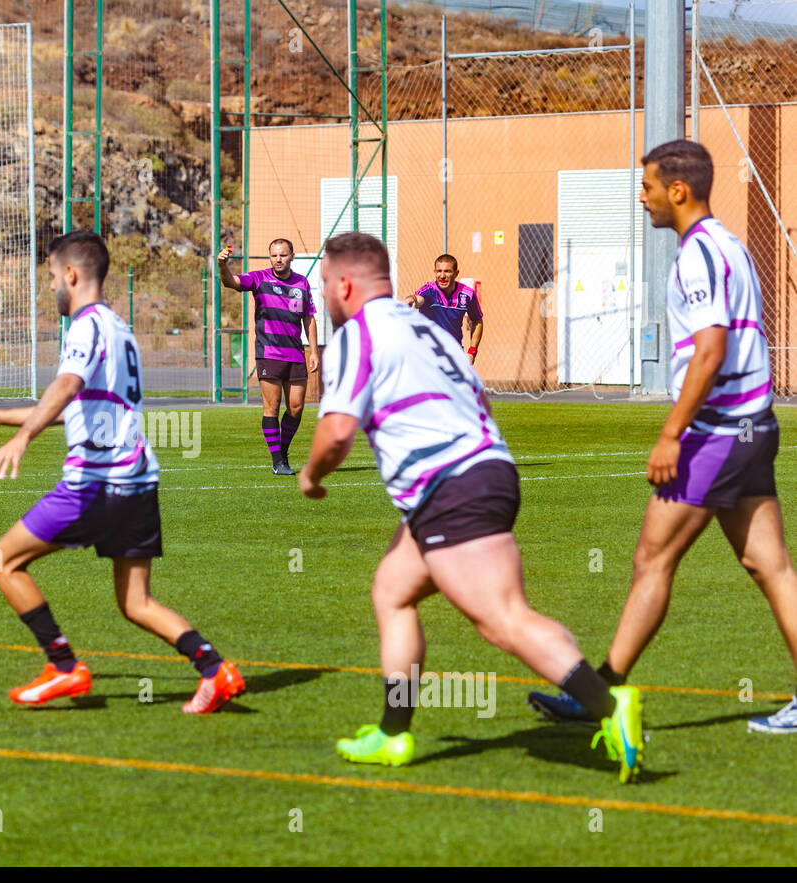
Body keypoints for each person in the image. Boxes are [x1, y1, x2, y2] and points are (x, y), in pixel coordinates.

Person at [300, 230, 643, 781]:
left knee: (502, 619)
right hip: (481, 471)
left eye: (324, 284)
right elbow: (477, 397)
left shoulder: (357, 334)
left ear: (343, 284)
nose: (323, 295)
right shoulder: (422, 327)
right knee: (393, 591)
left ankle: (607, 702)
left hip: (452, 486)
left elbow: (337, 432)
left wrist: (311, 475)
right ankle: (392, 734)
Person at [529, 139, 797, 734]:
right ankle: (602, 691)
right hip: (753, 426)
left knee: (653, 558)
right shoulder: (728, 245)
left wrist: (672, 434)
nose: (641, 196)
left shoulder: (698, 254)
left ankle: (599, 695)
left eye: (647, 186)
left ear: (678, 190)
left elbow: (710, 351)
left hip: (717, 433)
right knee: (769, 565)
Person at [0, 230, 245, 713]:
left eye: (52, 276)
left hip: (95, 485)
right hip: (138, 481)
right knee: (136, 604)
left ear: (71, 274)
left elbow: (66, 386)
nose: (52, 286)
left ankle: (64, 667)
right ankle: (215, 669)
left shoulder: (85, 326)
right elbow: (79, 406)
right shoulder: (116, 326)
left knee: (3, 561)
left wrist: (23, 437)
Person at [217, 239, 320, 474]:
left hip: (295, 354)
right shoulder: (259, 278)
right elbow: (231, 282)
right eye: (274, 255)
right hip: (269, 353)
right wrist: (222, 266)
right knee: (271, 406)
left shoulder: (302, 283)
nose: (278, 259)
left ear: (292, 256)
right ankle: (278, 462)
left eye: (283, 255)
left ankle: (282, 453)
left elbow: (309, 317)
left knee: (296, 408)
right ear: (270, 257)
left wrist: (314, 351)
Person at [405, 254, 484, 364]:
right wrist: (412, 299)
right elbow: (418, 299)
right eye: (439, 271)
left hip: (454, 355)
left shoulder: (467, 294)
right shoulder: (429, 291)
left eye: (447, 271)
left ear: (456, 273)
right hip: (428, 356)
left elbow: (477, 321)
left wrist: (472, 352)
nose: (442, 276)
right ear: (434, 272)